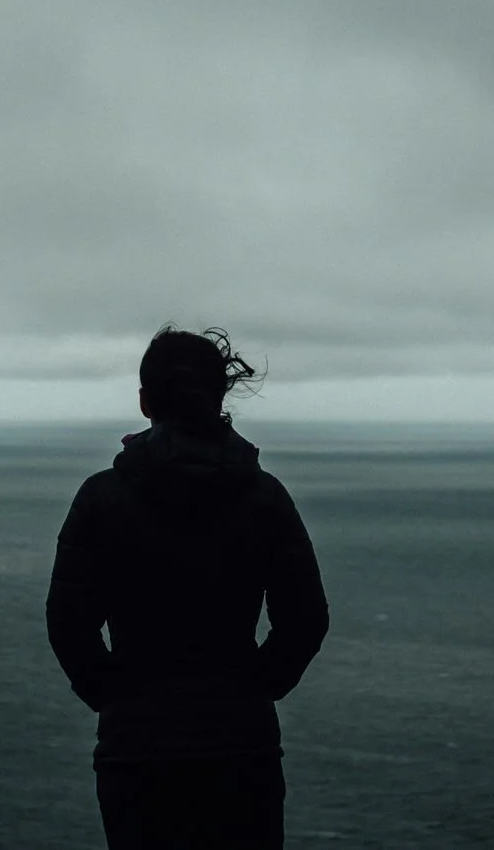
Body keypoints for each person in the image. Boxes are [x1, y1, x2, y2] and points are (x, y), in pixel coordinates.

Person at [47, 327, 330, 849]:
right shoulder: (265, 497)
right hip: (242, 745)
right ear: (219, 397)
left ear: (144, 400)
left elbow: (69, 625)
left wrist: (116, 697)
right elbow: (306, 620)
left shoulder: (101, 497)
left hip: (136, 748)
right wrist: (252, 689)